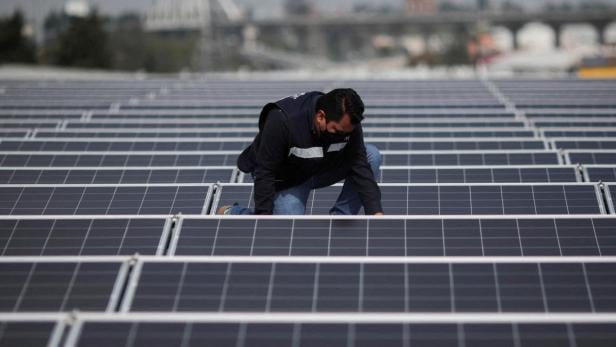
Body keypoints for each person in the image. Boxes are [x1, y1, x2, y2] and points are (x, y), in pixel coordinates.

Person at [217, 88, 383, 215]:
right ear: (320, 117)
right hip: (287, 178)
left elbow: (360, 165)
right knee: (287, 229)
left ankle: (340, 218)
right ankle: (234, 213)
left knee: (371, 155)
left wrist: (376, 212)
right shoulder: (282, 121)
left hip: (320, 167)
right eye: (337, 131)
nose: (343, 135)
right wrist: (263, 220)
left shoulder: (347, 124)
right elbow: (265, 173)